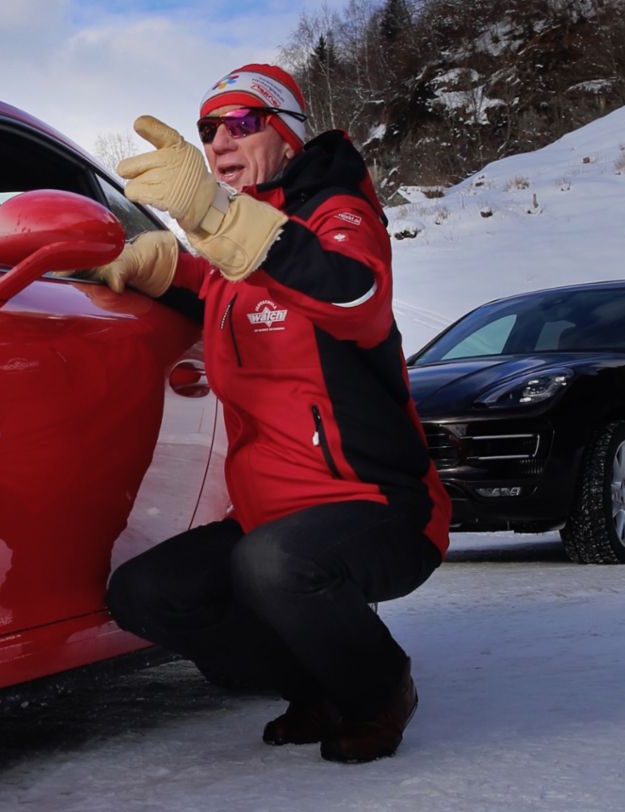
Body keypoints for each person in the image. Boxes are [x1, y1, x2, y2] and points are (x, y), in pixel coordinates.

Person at [90, 64, 451, 763]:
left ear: (285, 134)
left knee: (273, 564)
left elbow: (354, 294)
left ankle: (379, 690)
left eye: (243, 122)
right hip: (269, 519)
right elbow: (231, 288)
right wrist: (160, 265)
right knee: (144, 593)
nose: (220, 140)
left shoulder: (338, 213)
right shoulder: (239, 252)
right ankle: (313, 686)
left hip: (380, 507)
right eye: (207, 130)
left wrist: (216, 217)